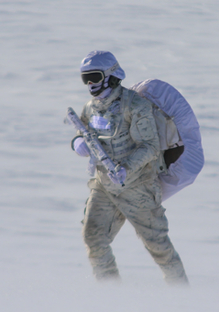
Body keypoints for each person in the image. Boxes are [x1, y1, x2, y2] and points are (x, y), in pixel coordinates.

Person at [70, 51, 188, 284]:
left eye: (94, 77)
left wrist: (126, 168)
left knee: (159, 247)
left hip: (138, 187)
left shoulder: (135, 106)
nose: (91, 84)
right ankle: (111, 295)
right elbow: (80, 130)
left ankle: (182, 295)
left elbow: (150, 146)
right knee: (94, 239)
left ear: (110, 75)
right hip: (104, 186)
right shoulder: (90, 108)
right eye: (86, 79)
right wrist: (77, 143)